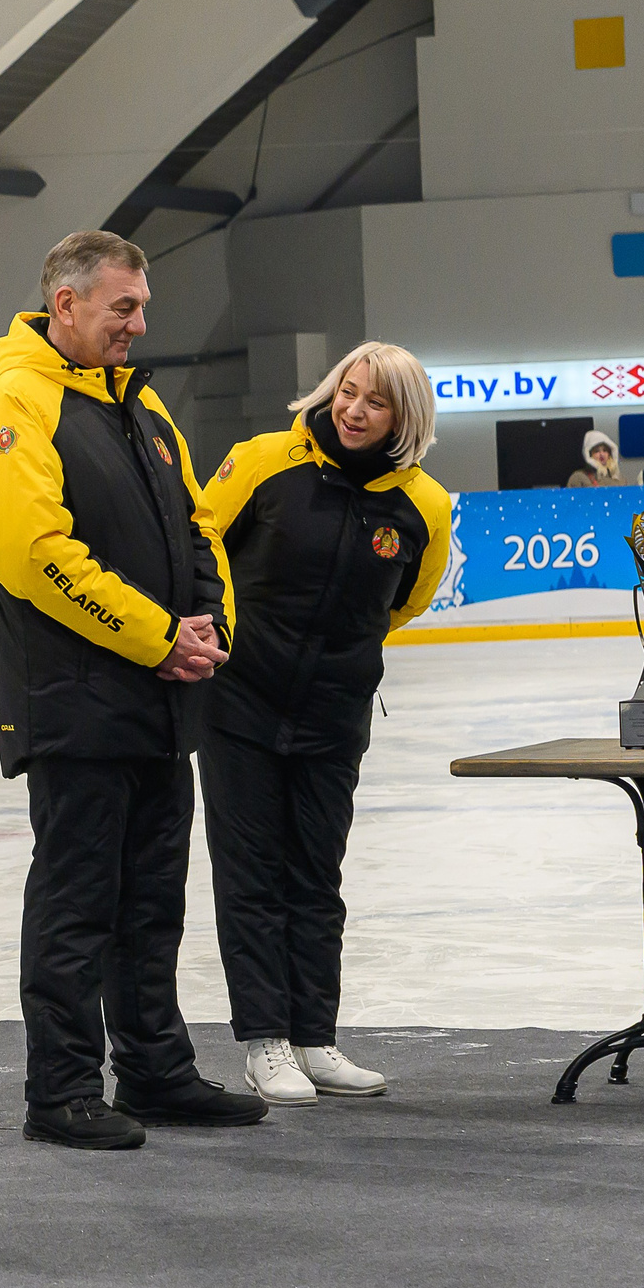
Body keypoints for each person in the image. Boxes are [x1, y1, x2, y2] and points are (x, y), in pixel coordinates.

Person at [0, 230, 260, 1151]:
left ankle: (155, 1068)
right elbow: (36, 557)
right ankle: (59, 1089)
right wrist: (155, 636)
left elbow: (201, 524)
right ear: (66, 303)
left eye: (141, 308)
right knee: (76, 903)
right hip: (78, 705)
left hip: (158, 705)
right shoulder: (17, 403)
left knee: (151, 902)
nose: (138, 324)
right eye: (122, 308)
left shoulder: (141, 407)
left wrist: (212, 624)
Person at [198, 344, 452, 1107]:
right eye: (348, 391)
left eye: (375, 402)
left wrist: (343, 656)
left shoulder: (425, 505)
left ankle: (313, 1036)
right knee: (251, 875)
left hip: (335, 713)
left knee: (315, 875)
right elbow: (202, 541)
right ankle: (264, 1040)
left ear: (403, 419)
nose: (353, 409)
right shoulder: (264, 460)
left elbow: (404, 600)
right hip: (240, 701)